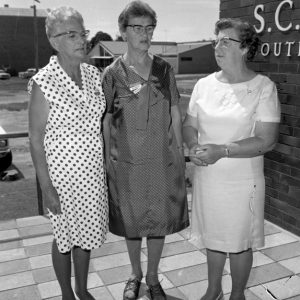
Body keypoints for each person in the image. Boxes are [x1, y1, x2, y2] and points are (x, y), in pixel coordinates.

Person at [183, 18, 281, 300]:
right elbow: (190, 125)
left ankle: (237, 294)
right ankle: (213, 289)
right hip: (209, 179)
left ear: (245, 48)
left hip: (241, 183)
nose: (218, 46)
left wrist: (221, 150)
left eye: (227, 40)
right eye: (217, 40)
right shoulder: (203, 85)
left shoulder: (263, 87)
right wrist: (192, 146)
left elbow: (266, 140)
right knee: (213, 238)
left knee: (239, 242)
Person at [102, 1, 189, 299]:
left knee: (158, 221)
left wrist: (179, 152)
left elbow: (175, 112)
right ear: (123, 31)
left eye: (149, 28)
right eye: (137, 28)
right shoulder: (112, 73)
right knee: (131, 221)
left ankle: (152, 277)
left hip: (161, 158)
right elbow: (106, 119)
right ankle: (135, 274)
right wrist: (105, 160)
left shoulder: (165, 69)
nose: (145, 34)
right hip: (127, 161)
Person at [28, 7, 108, 300]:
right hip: (62, 179)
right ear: (54, 40)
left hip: (92, 176)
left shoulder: (91, 74)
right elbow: (35, 139)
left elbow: (102, 122)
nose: (81, 40)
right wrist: (46, 188)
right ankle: (66, 294)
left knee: (85, 237)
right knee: (64, 239)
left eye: (82, 33)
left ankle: (82, 289)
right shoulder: (43, 83)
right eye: (71, 34)